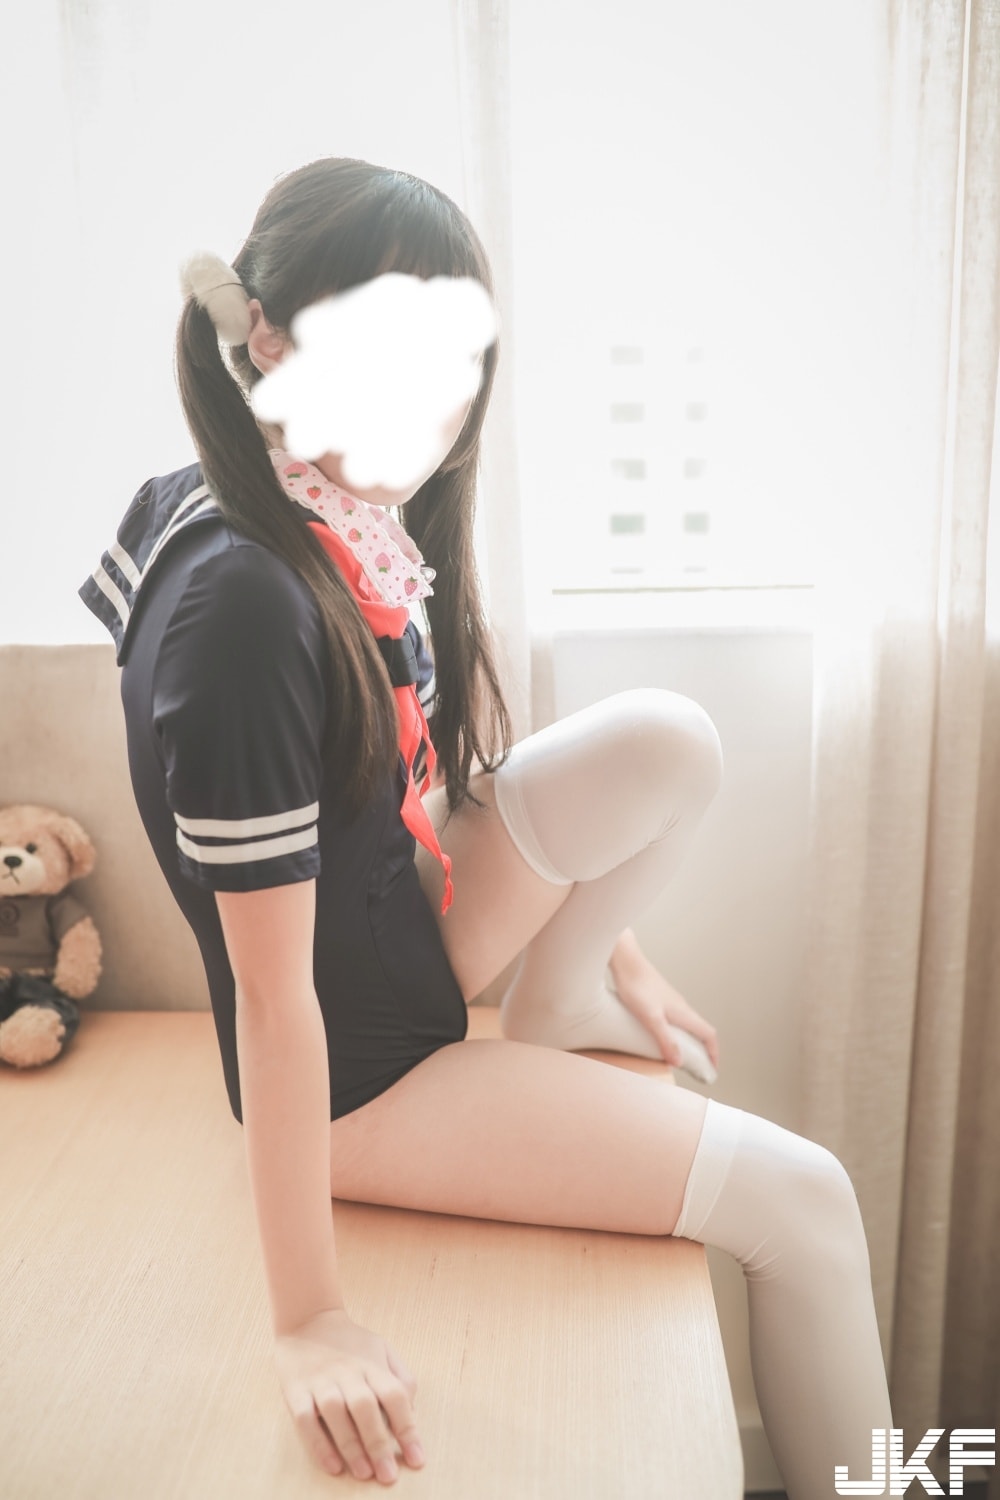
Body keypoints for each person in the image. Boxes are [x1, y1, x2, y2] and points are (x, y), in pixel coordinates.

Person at [80, 157, 893, 1497]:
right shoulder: (243, 608)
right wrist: (309, 1319)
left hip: (398, 930)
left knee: (671, 738)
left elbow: (415, 769)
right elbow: (273, 1001)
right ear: (267, 338)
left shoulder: (308, 501)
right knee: (806, 1204)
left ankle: (556, 1004)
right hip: (359, 1080)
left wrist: (606, 948)